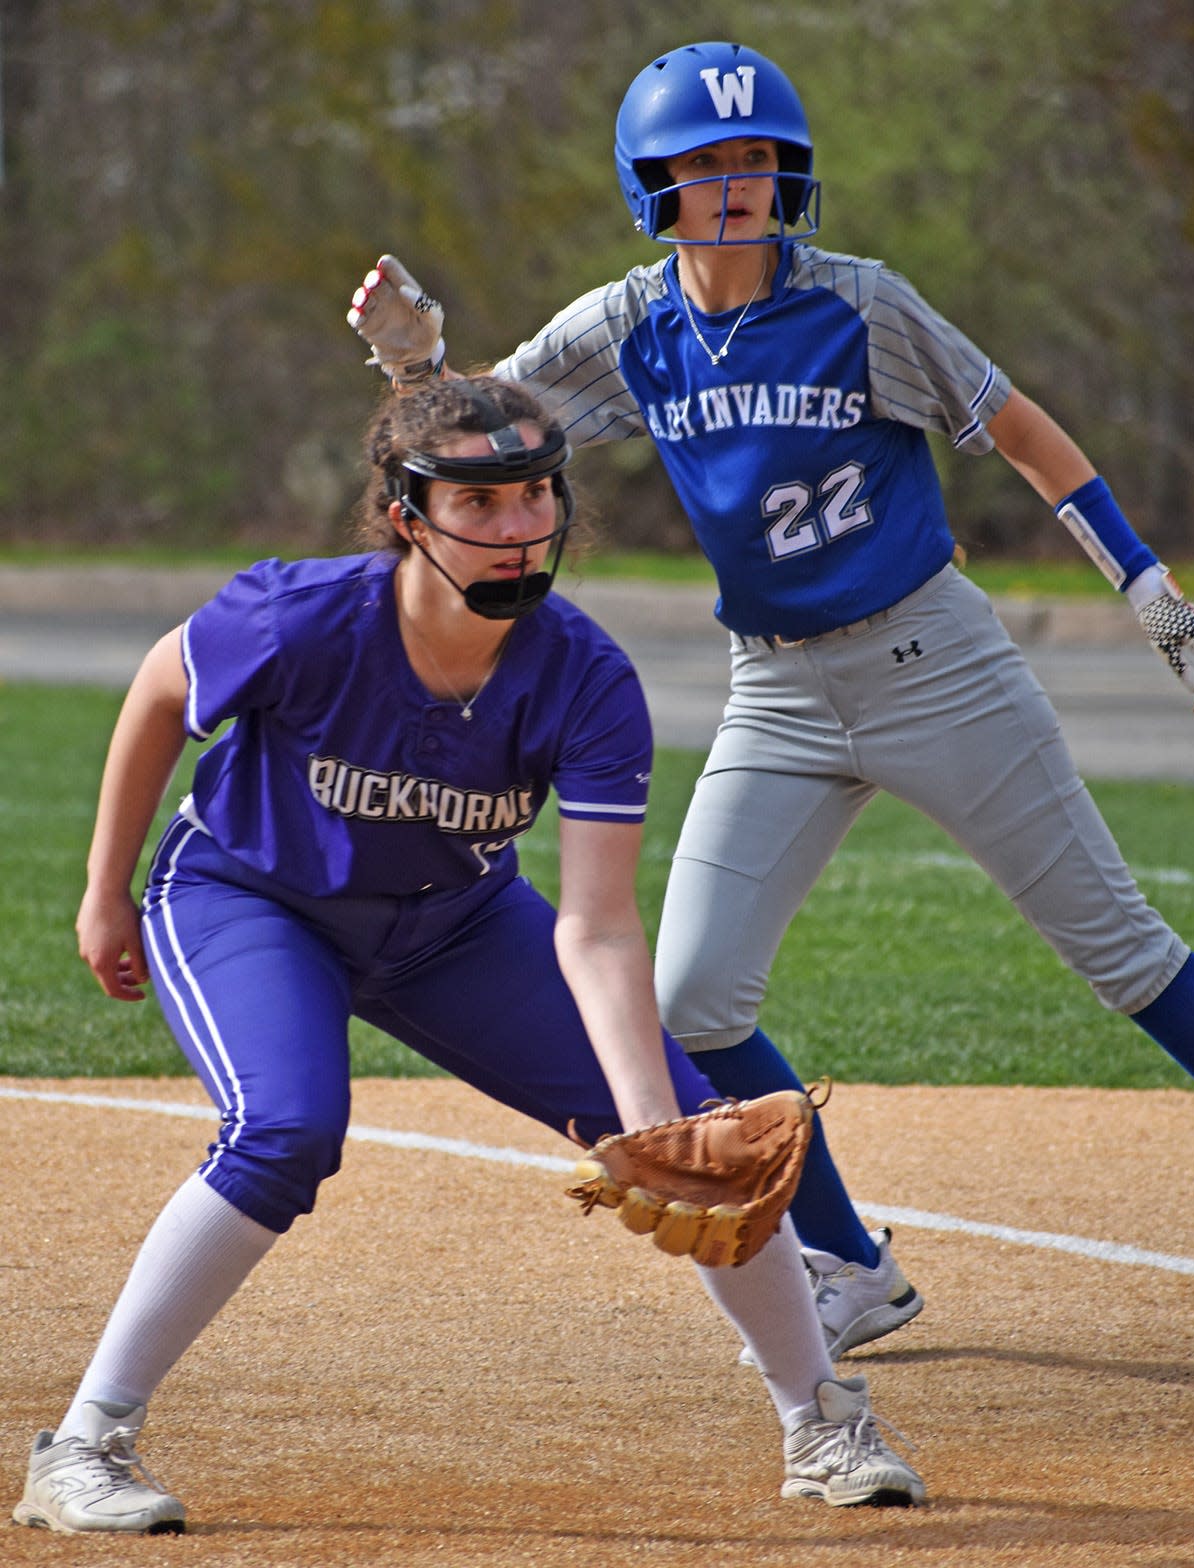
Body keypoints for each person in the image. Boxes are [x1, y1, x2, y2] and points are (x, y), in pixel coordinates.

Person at [347, 39, 1194, 1367]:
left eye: (754, 158)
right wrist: (420, 359)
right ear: (653, 183)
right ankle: (855, 1267)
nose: (734, 184)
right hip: (777, 690)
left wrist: (1148, 588)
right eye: (704, 162)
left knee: (1128, 959)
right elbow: (471, 442)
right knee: (690, 1001)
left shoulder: (860, 305)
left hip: (938, 664)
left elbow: (1017, 428)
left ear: (790, 172)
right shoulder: (632, 326)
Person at [11, 376, 926, 1536]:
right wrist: (104, 890)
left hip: (453, 920)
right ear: (407, 513)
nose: (519, 524)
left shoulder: (586, 679)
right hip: (251, 895)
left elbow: (594, 922)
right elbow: (159, 687)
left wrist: (645, 1120)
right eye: (480, 502)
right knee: (287, 1130)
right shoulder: (299, 615)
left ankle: (823, 1421)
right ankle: (82, 1442)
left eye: (537, 494)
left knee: (705, 1137)